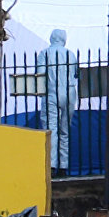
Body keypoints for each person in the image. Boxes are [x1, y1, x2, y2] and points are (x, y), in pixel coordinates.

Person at [37, 29, 79, 176]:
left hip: (51, 92)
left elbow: (40, 73)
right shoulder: (71, 54)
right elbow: (76, 74)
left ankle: (52, 165)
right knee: (65, 130)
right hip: (69, 92)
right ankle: (64, 165)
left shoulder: (45, 53)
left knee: (51, 129)